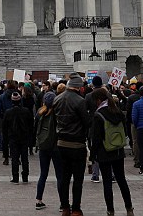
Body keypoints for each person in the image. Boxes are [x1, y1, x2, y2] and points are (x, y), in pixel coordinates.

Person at [89, 87, 134, 216]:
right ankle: (129, 208)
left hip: (104, 152)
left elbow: (96, 138)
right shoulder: (118, 111)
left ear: (98, 100)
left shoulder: (98, 114)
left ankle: (110, 210)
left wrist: (92, 156)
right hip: (118, 151)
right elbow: (124, 131)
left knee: (107, 183)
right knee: (122, 180)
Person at [53, 73, 91, 216]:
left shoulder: (57, 99)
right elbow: (86, 122)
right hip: (77, 143)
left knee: (64, 178)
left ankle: (65, 207)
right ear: (79, 87)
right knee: (77, 179)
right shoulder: (80, 101)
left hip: (61, 142)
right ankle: (76, 208)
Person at [34, 91, 62, 211]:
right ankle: (63, 203)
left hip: (43, 146)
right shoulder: (57, 112)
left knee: (43, 174)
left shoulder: (40, 112)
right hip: (56, 146)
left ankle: (39, 200)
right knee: (60, 175)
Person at [4, 90, 33, 184]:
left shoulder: (8, 112)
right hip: (24, 137)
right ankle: (25, 176)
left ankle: (15, 177)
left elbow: (4, 127)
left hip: (13, 137)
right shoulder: (26, 111)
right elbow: (31, 124)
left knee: (15, 158)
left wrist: (6, 139)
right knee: (25, 158)